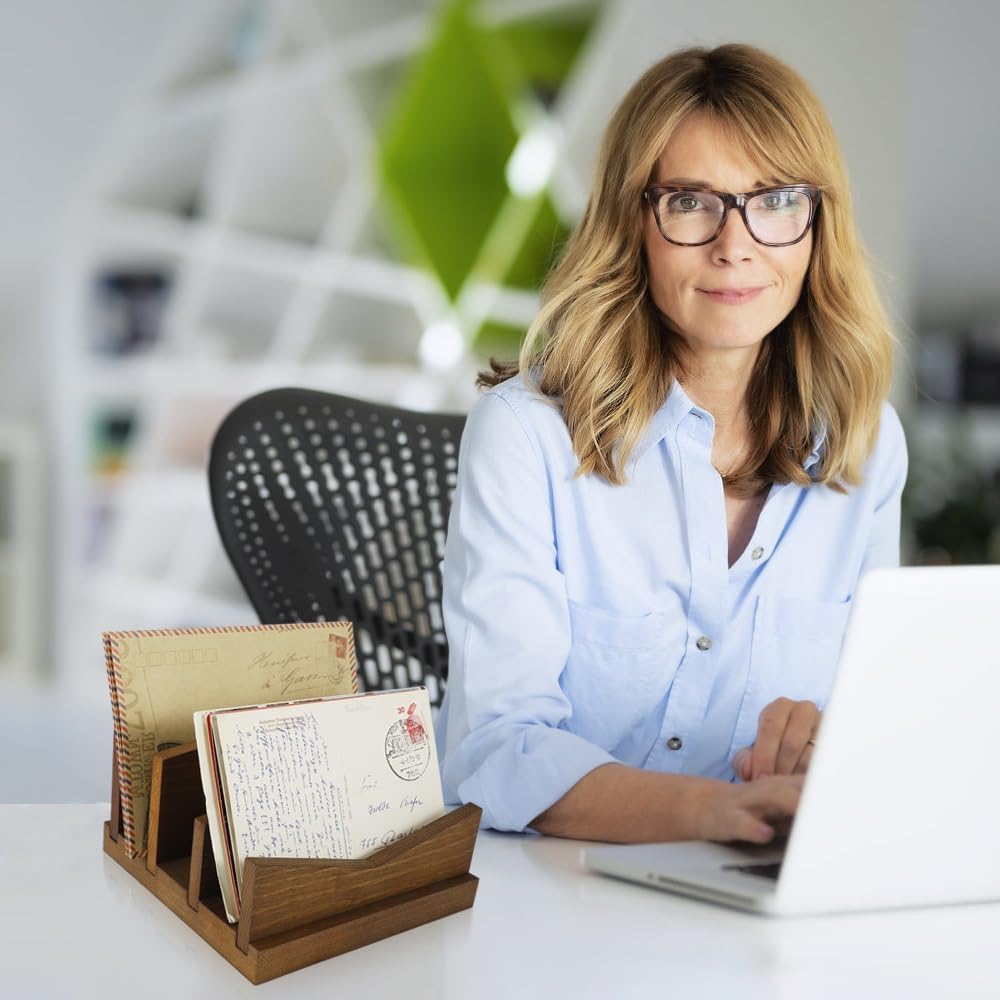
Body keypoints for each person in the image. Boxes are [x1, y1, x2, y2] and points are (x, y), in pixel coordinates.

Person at [436, 44, 906, 845]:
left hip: (760, 895)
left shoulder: (864, 442)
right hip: (556, 899)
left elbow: (877, 720)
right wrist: (710, 815)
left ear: (817, 225)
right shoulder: (526, 438)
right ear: (634, 222)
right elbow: (496, 749)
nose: (736, 244)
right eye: (691, 202)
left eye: (775, 199)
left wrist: (830, 744)